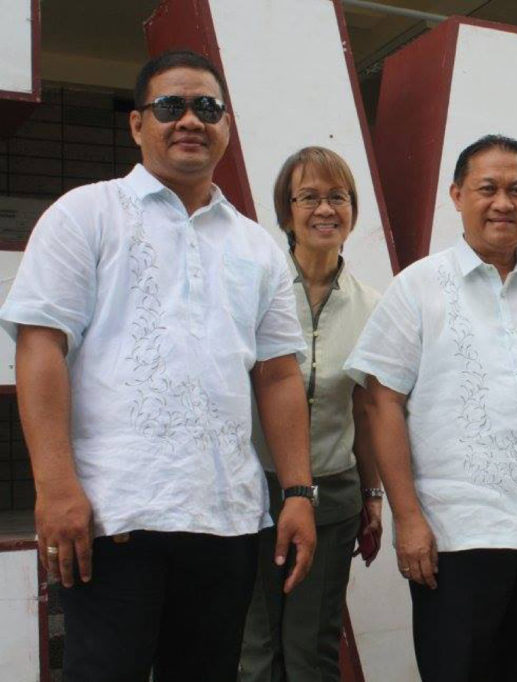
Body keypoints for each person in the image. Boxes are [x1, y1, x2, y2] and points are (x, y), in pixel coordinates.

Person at [0, 50, 316, 681]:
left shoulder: (257, 245)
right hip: (114, 513)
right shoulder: (84, 213)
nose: (190, 120)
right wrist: (55, 487)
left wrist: (299, 492)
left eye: (207, 107)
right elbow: (41, 349)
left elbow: (278, 374)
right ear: (138, 125)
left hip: (227, 519)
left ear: (226, 124)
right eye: (171, 106)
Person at [344, 134, 517, 682]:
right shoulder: (417, 287)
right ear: (456, 194)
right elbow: (382, 404)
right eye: (487, 188)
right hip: (456, 537)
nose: (503, 203)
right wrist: (409, 518)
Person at [239, 147, 383, 682]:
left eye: (337, 197)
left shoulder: (372, 303)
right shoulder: (258, 291)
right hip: (253, 493)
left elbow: (367, 409)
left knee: (312, 650)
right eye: (309, 198)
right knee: (254, 648)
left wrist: (373, 495)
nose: (325, 210)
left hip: (333, 495)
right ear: (286, 212)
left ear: (352, 211)